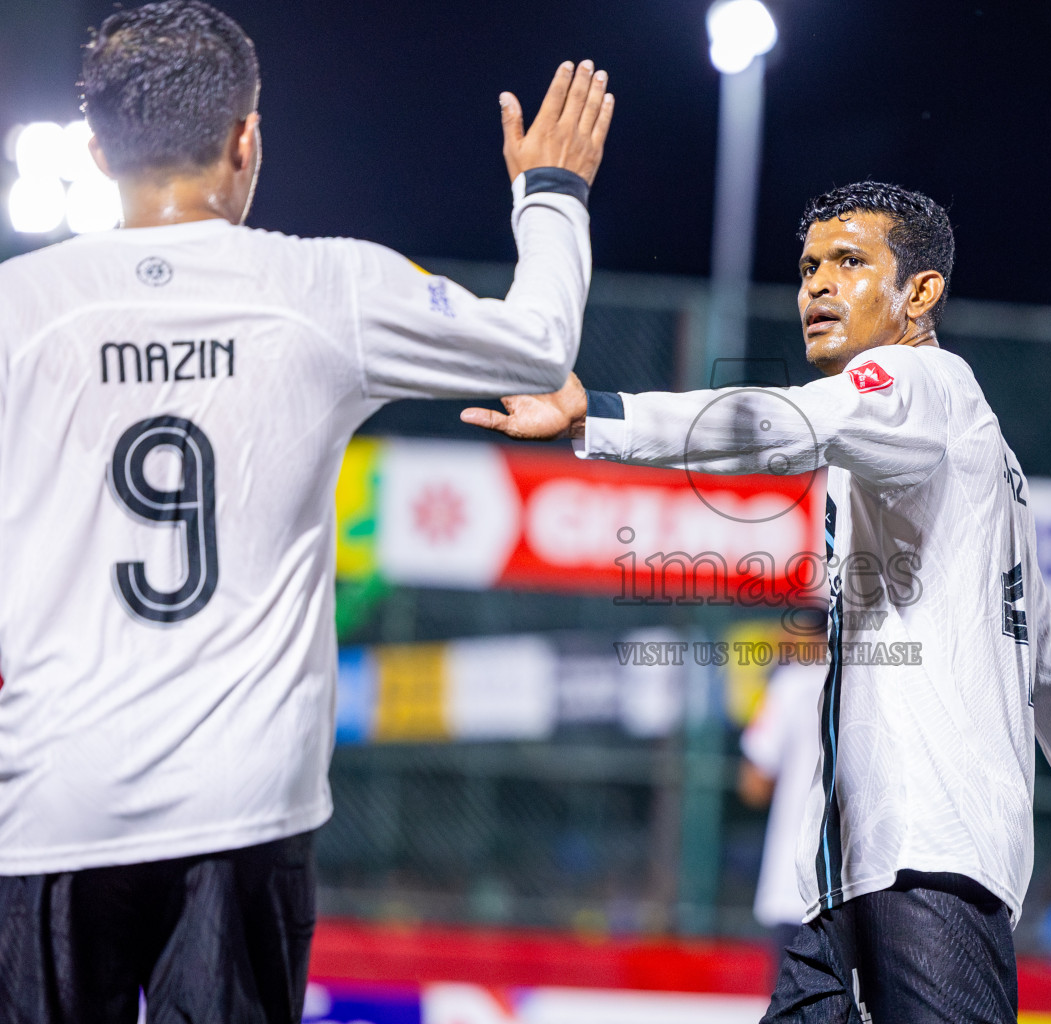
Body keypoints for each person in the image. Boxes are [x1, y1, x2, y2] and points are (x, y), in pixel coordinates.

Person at [464, 182, 1051, 1022]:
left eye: (849, 261)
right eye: (807, 268)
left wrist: (600, 417)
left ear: (921, 292)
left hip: (921, 869)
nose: (817, 286)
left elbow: (781, 424)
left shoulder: (908, 380)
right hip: (853, 884)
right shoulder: (976, 458)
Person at [0, 3, 613, 1021]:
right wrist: (549, 193)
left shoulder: (19, 310)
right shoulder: (323, 285)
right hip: (241, 799)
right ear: (246, 137)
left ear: (98, 147)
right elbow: (540, 342)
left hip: (52, 788)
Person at [739, 660, 828, 969]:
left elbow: (755, 784)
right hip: (870, 883)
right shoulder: (879, 677)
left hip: (796, 884)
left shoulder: (793, 684)